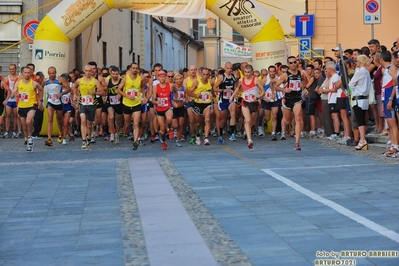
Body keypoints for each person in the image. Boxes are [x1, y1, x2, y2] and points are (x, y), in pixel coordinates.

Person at [275, 56, 307, 150]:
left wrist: (304, 88)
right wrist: (285, 89)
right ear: (288, 64)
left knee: (298, 118)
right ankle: (285, 129)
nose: (293, 64)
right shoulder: (285, 75)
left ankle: (297, 143)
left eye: (294, 62)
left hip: (297, 98)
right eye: (291, 63)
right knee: (288, 121)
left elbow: (303, 82)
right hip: (287, 99)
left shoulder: (301, 73)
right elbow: (276, 87)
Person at [230, 64, 265, 149]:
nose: (247, 74)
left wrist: (257, 98)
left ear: (252, 72)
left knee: (251, 123)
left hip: (254, 103)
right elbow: (238, 88)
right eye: (245, 72)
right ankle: (249, 140)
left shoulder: (256, 80)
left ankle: (247, 131)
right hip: (245, 102)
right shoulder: (242, 80)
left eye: (249, 72)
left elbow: (263, 92)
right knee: (247, 120)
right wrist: (232, 96)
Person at [72, 65, 104, 149]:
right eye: (86, 71)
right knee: (83, 120)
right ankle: (83, 140)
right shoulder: (79, 80)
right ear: (84, 71)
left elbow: (102, 92)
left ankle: (89, 138)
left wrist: (94, 93)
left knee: (89, 124)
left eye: (90, 71)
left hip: (92, 104)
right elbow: (74, 87)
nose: (88, 72)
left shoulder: (95, 81)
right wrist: (75, 95)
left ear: (92, 72)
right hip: (82, 103)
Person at [13, 67, 44, 151]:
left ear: (31, 74)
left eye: (28, 73)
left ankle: (30, 137)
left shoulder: (34, 83)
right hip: (22, 106)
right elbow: (14, 90)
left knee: (28, 121)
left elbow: (41, 89)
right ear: (22, 73)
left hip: (32, 105)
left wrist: (40, 100)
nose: (27, 74)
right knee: (24, 126)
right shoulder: (18, 83)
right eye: (25, 72)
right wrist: (14, 93)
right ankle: (27, 138)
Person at [117, 63, 146, 150]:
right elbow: (118, 90)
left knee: (136, 123)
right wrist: (127, 96)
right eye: (133, 68)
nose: (135, 70)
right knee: (127, 123)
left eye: (136, 68)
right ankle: (128, 131)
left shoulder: (140, 78)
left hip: (136, 103)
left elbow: (142, 88)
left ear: (138, 69)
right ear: (130, 69)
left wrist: (143, 97)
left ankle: (135, 141)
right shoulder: (125, 78)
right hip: (126, 103)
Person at [349, 55, 371, 151]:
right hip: (364, 98)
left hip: (359, 98)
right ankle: (362, 139)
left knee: (360, 120)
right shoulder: (366, 72)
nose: (356, 63)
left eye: (357, 61)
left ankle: (362, 139)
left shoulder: (360, 72)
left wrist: (355, 85)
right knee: (361, 119)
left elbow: (351, 84)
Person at [44, 67, 71, 146]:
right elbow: (40, 87)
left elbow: (69, 89)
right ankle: (49, 139)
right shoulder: (46, 81)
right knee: (50, 119)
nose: (52, 75)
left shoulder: (60, 80)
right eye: (50, 73)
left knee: (59, 121)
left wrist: (61, 94)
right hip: (50, 102)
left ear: (56, 73)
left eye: (53, 73)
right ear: (48, 73)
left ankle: (61, 133)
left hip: (59, 102)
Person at [213, 62, 237, 144]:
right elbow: (214, 88)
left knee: (233, 113)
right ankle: (220, 134)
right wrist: (223, 90)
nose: (230, 70)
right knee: (222, 120)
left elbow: (236, 86)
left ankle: (232, 134)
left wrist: (234, 94)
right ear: (225, 68)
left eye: (231, 68)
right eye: (228, 68)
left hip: (231, 99)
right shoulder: (221, 77)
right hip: (223, 100)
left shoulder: (234, 76)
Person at [188, 67, 213, 145]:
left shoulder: (210, 82)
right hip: (198, 104)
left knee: (207, 120)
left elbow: (212, 91)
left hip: (207, 104)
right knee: (198, 123)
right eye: (204, 74)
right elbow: (189, 93)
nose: (205, 76)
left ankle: (206, 138)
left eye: (207, 74)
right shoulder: (196, 82)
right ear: (201, 74)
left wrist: (214, 98)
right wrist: (196, 95)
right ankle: (197, 135)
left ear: (209, 75)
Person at [380, 51, 399, 157]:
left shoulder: (391, 68)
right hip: (385, 97)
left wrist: (391, 99)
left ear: (382, 59)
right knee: (389, 123)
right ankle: (393, 144)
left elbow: (394, 84)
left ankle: (396, 145)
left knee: (392, 123)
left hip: (389, 97)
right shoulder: (386, 70)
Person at [151, 71, 173, 150]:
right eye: (160, 77)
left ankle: (169, 129)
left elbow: (176, 92)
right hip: (159, 108)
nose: (162, 78)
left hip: (168, 106)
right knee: (162, 129)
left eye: (164, 76)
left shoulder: (170, 85)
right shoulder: (155, 87)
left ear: (165, 77)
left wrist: (175, 99)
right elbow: (153, 100)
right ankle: (164, 142)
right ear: (158, 78)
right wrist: (156, 102)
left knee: (169, 118)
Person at [105, 66, 123, 144]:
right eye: (113, 74)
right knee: (111, 117)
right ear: (110, 74)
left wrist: (121, 95)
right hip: (110, 101)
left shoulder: (122, 80)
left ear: (118, 73)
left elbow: (125, 90)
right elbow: (104, 89)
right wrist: (104, 96)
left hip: (119, 102)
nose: (115, 76)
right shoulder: (107, 81)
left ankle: (117, 133)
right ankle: (112, 133)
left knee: (118, 120)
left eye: (116, 74)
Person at [183, 65, 200, 144]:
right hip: (189, 102)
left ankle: (198, 134)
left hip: (197, 101)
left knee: (197, 121)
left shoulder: (199, 79)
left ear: (196, 70)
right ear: (189, 72)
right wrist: (186, 99)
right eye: (191, 70)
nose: (193, 71)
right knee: (191, 119)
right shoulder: (186, 80)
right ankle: (193, 135)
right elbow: (185, 91)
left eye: (194, 70)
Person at [3, 64, 21, 138]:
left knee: (16, 116)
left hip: (16, 99)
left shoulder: (19, 78)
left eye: (13, 69)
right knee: (8, 115)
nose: (12, 70)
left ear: (16, 69)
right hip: (9, 99)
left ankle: (14, 131)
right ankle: (7, 131)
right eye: (10, 69)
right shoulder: (6, 78)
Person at [171, 73, 186, 147]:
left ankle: (178, 140)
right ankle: (170, 128)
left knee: (181, 124)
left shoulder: (184, 88)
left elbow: (186, 99)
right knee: (175, 125)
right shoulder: (172, 87)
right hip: (173, 107)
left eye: (180, 79)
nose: (179, 80)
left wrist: (181, 103)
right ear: (174, 80)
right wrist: (174, 103)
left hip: (181, 107)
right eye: (177, 79)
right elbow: (169, 98)